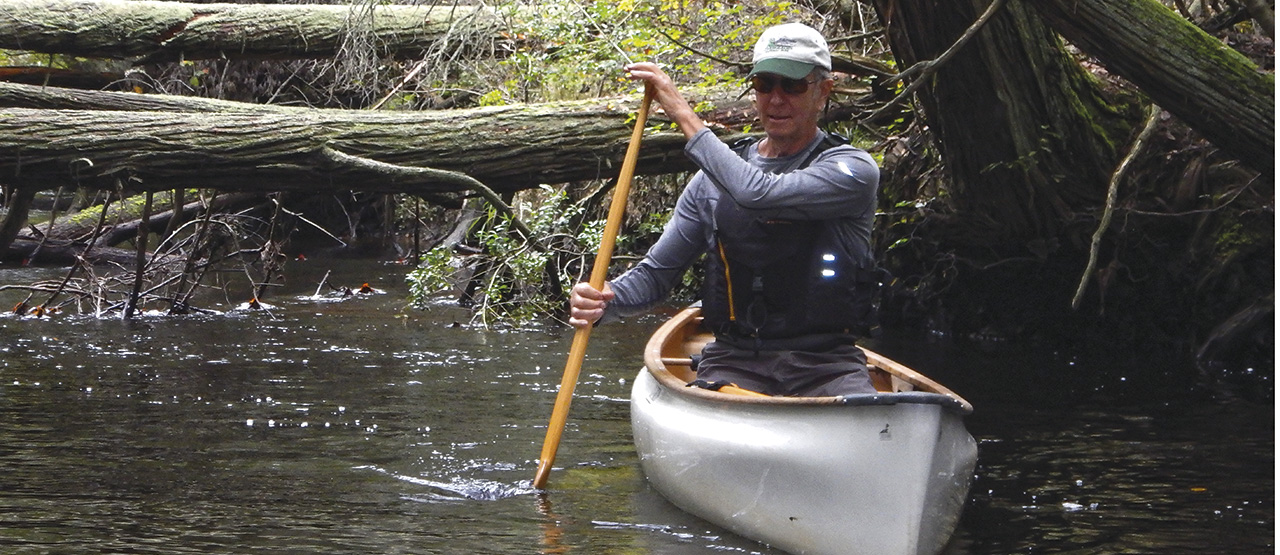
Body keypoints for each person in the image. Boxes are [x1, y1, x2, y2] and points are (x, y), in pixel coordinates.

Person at [569, 22, 883, 397]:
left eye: (793, 85)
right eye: (765, 84)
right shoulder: (709, 183)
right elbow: (656, 276)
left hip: (828, 365)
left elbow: (757, 193)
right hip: (735, 362)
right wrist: (604, 300)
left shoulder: (852, 171)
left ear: (823, 92)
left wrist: (682, 112)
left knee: (857, 404)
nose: (776, 98)